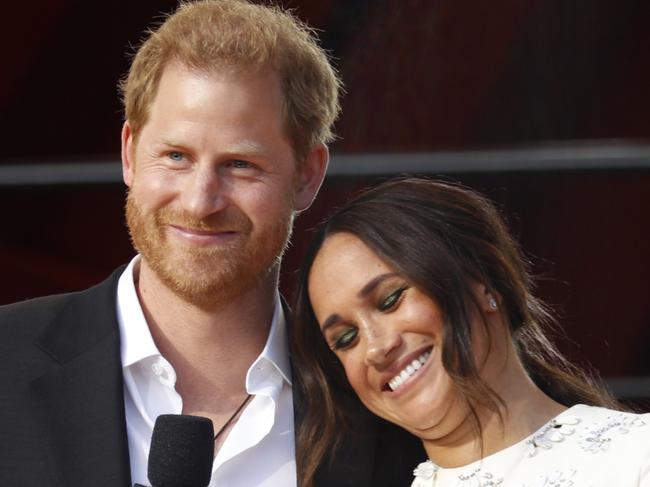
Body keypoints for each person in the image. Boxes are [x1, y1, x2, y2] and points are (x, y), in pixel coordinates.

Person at [0, 2, 422, 486]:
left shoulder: (383, 407)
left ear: (308, 175)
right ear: (130, 153)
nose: (201, 201)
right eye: (176, 156)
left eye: (240, 164)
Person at [291, 176, 650, 487]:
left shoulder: (636, 456)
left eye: (391, 300)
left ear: (485, 281)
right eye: (346, 339)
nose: (375, 349)